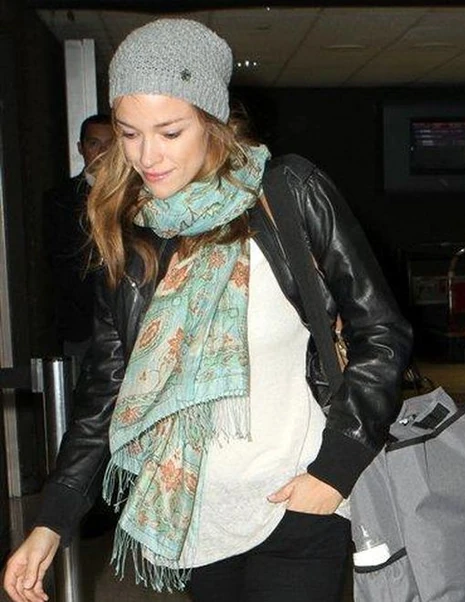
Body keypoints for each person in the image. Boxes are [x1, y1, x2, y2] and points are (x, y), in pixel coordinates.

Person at [4, 18, 412, 602]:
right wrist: (53, 518)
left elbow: (382, 331)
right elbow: (107, 386)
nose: (148, 156)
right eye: (129, 134)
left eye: (170, 132)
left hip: (299, 501)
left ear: (213, 120)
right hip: (194, 514)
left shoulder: (286, 194)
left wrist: (335, 469)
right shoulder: (134, 232)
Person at [44, 113, 113, 364]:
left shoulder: (135, 195)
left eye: (110, 144)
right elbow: (58, 263)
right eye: (95, 144)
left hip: (126, 317)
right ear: (81, 148)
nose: (102, 152)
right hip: (80, 323)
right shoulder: (60, 199)